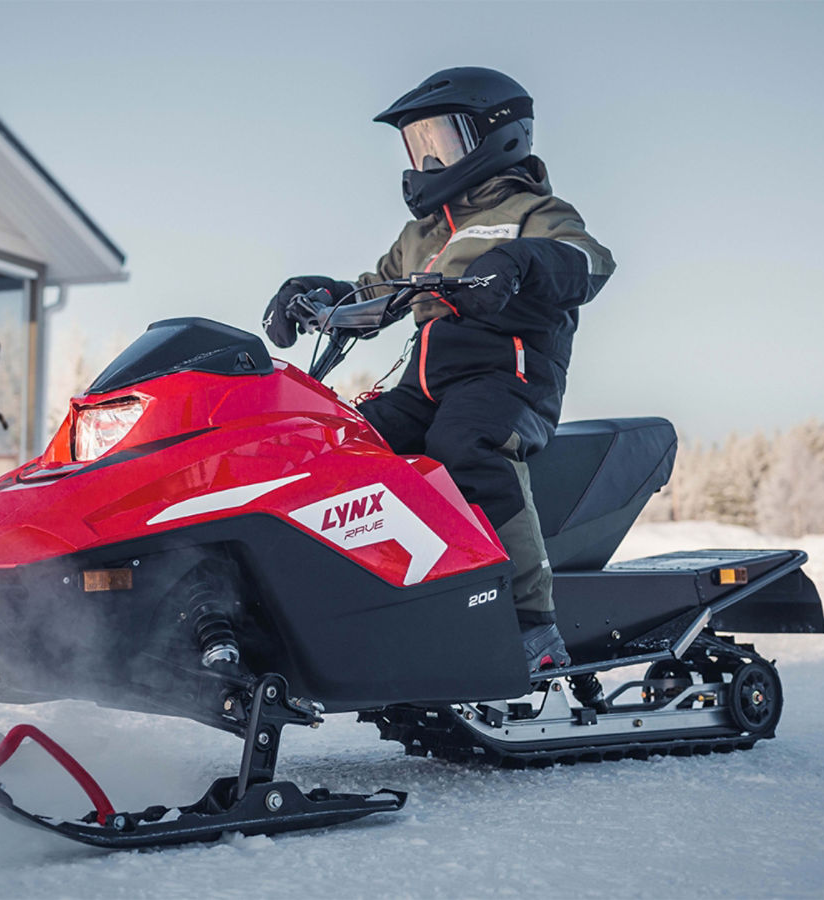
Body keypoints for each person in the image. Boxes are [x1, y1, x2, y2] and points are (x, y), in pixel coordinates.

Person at [263, 67, 615, 673]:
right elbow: (374, 296)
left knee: (464, 444)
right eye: (418, 145)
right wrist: (317, 298)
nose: (428, 160)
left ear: (496, 138)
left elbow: (590, 260)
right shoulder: (423, 233)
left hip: (509, 381)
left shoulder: (534, 210)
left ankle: (533, 622)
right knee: (340, 442)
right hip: (423, 387)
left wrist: (518, 261)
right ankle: (364, 598)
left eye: (443, 142)